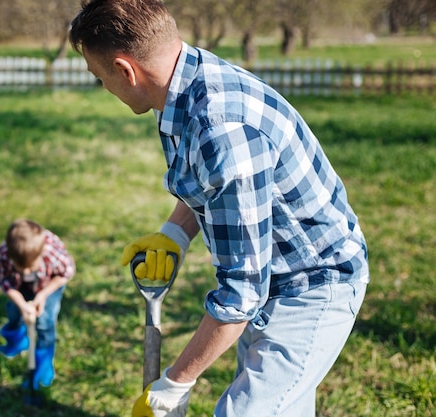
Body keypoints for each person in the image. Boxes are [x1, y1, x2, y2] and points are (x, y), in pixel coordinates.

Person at [69, 1, 369, 416]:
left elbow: (242, 294)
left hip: (313, 283)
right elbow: (208, 183)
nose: (105, 88)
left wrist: (174, 384)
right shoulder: (183, 88)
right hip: (270, 275)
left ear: (125, 70)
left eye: (100, 78)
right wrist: (174, 234)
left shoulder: (223, 128)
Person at [0, 218, 75, 390]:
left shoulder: (51, 253)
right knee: (14, 312)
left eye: (31, 267)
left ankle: (44, 368)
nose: (26, 272)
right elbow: (4, 282)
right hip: (19, 287)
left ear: (41, 253)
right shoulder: (4, 253)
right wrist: (22, 304)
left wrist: (42, 296)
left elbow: (66, 273)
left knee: (45, 321)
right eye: (20, 268)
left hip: (49, 285)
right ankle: (17, 342)